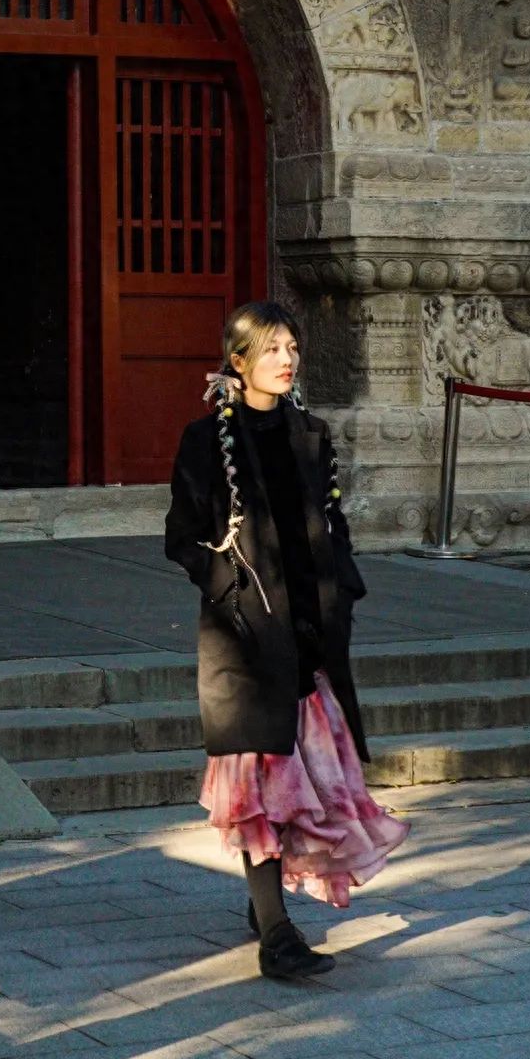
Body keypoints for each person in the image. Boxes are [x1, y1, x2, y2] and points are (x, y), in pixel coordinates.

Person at [165, 301, 408, 981]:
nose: (286, 359)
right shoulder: (205, 440)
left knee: (305, 783)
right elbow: (181, 537)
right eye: (272, 348)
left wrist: (343, 590)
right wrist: (229, 589)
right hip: (246, 639)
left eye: (292, 348)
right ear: (237, 360)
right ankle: (276, 935)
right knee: (258, 782)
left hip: (308, 636)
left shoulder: (311, 434)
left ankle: (265, 903)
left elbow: (332, 523)